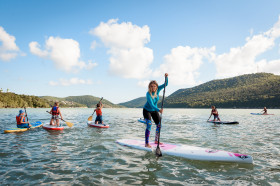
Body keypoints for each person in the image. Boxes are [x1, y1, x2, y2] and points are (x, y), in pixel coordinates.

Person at [143, 73, 168, 148]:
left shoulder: (158, 89)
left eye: (154, 86)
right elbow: (151, 105)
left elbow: (165, 84)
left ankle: (156, 140)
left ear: (157, 87)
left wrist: (166, 77)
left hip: (154, 111)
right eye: (151, 86)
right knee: (149, 124)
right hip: (147, 110)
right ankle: (146, 143)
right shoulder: (148, 94)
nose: (153, 88)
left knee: (159, 125)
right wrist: (159, 110)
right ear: (149, 87)